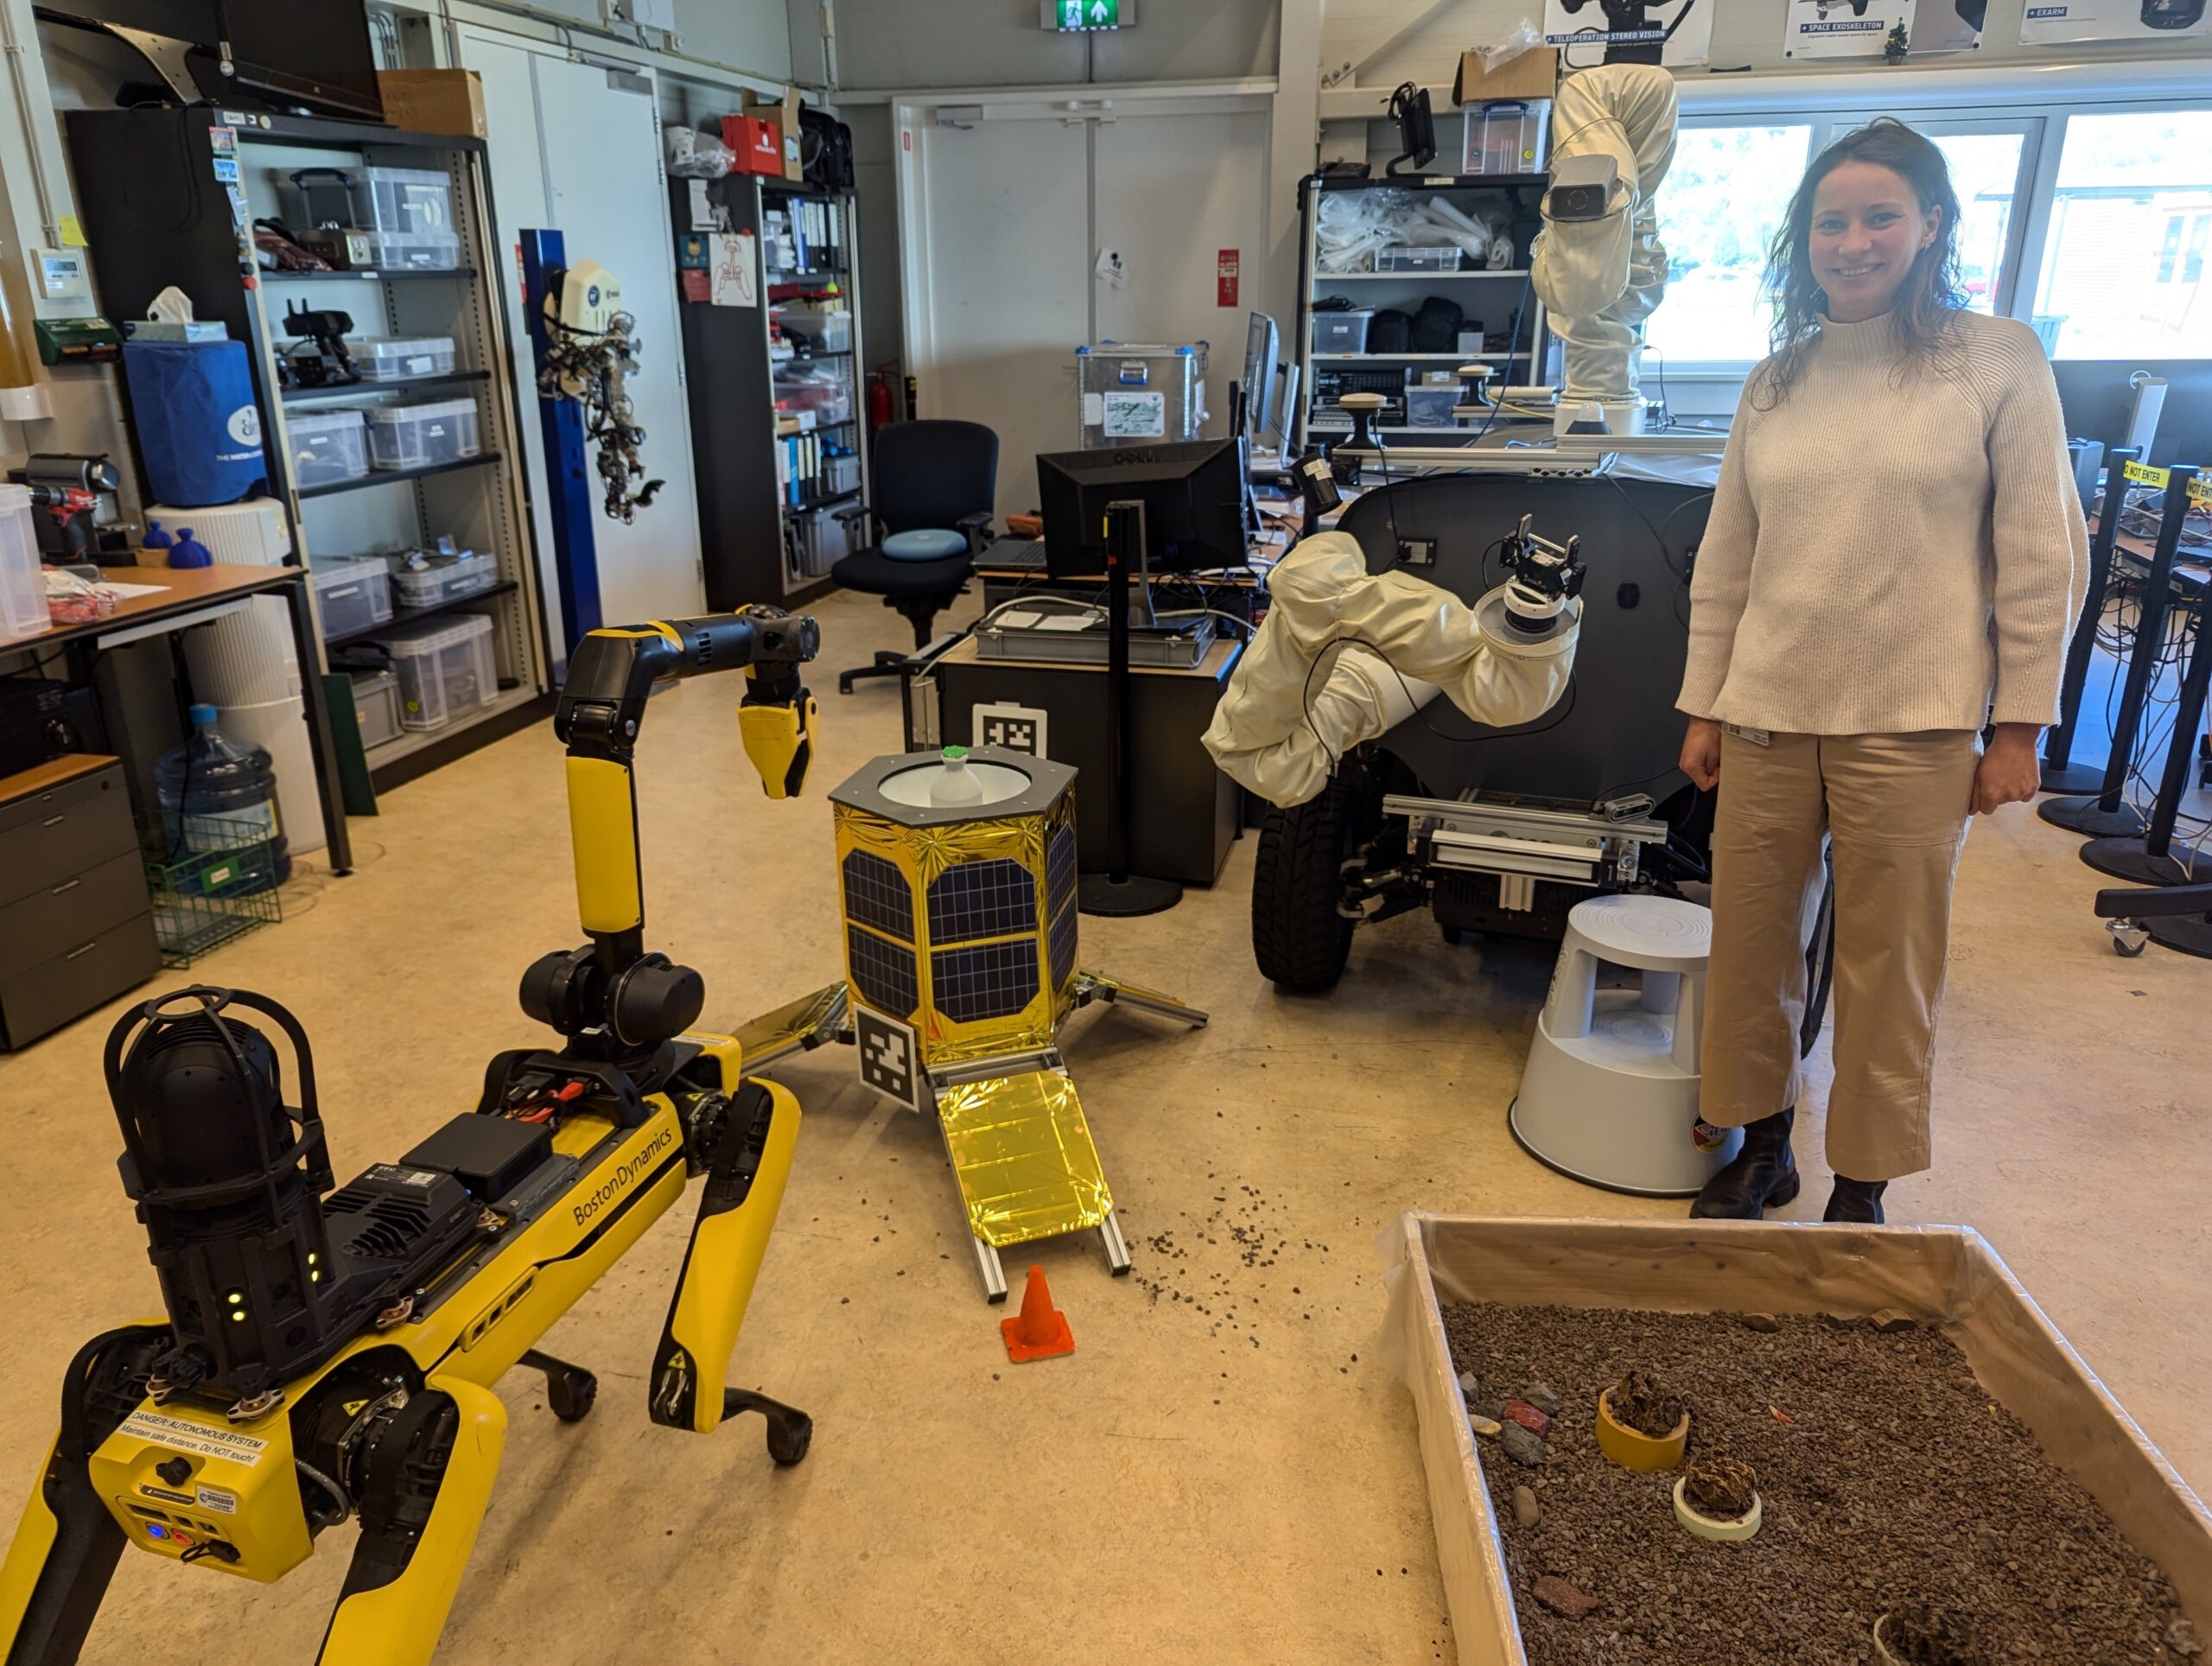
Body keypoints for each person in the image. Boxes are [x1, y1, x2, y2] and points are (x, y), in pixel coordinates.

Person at [1675, 118, 2085, 1224]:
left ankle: (1861, 1182)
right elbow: (1728, 557)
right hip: (1765, 710)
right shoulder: (1775, 380)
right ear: (1802, 239)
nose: (1851, 243)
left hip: (1912, 720)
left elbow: (2040, 556)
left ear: (1931, 225)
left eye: (1878, 217)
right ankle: (1763, 1144)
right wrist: (1704, 703)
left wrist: (2019, 728)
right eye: (1829, 222)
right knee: (1752, 944)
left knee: (1886, 964)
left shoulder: (1997, 358)